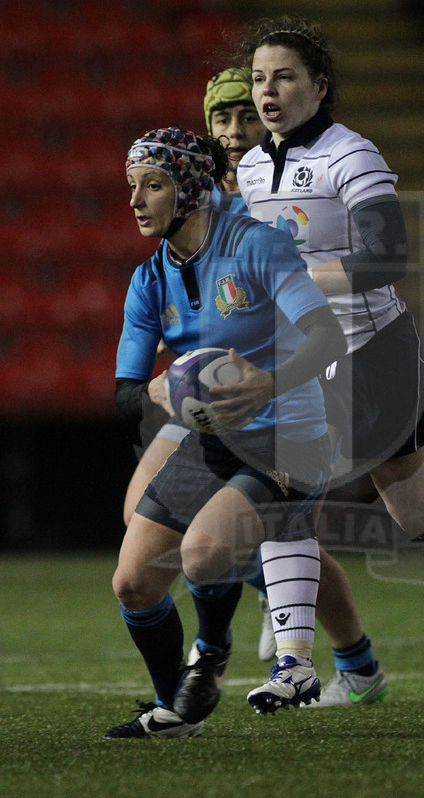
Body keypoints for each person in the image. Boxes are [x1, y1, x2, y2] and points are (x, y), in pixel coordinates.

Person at [236, 16, 424, 706]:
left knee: (419, 514)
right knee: (283, 494)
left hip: (373, 352)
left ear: (319, 85)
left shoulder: (352, 156)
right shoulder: (252, 167)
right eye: (259, 77)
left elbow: (386, 259)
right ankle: (294, 666)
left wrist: (299, 280)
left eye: (284, 76)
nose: (268, 90)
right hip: (304, 359)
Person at [105, 125, 346, 737]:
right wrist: (159, 389)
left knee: (204, 552)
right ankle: (175, 711)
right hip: (212, 439)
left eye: (152, 186)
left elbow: (326, 337)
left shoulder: (258, 247)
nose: (135, 201)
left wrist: (268, 382)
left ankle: (209, 655)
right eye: (132, 186)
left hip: (289, 436)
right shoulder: (148, 280)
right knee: (132, 583)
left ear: (187, 190)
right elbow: (126, 389)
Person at [121, 68, 277, 663]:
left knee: (408, 513)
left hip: (284, 391)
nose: (235, 130)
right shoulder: (196, 190)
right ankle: (265, 599)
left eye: (247, 115)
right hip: (209, 392)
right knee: (141, 509)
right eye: (222, 118)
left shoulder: (280, 196)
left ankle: (345, 656)